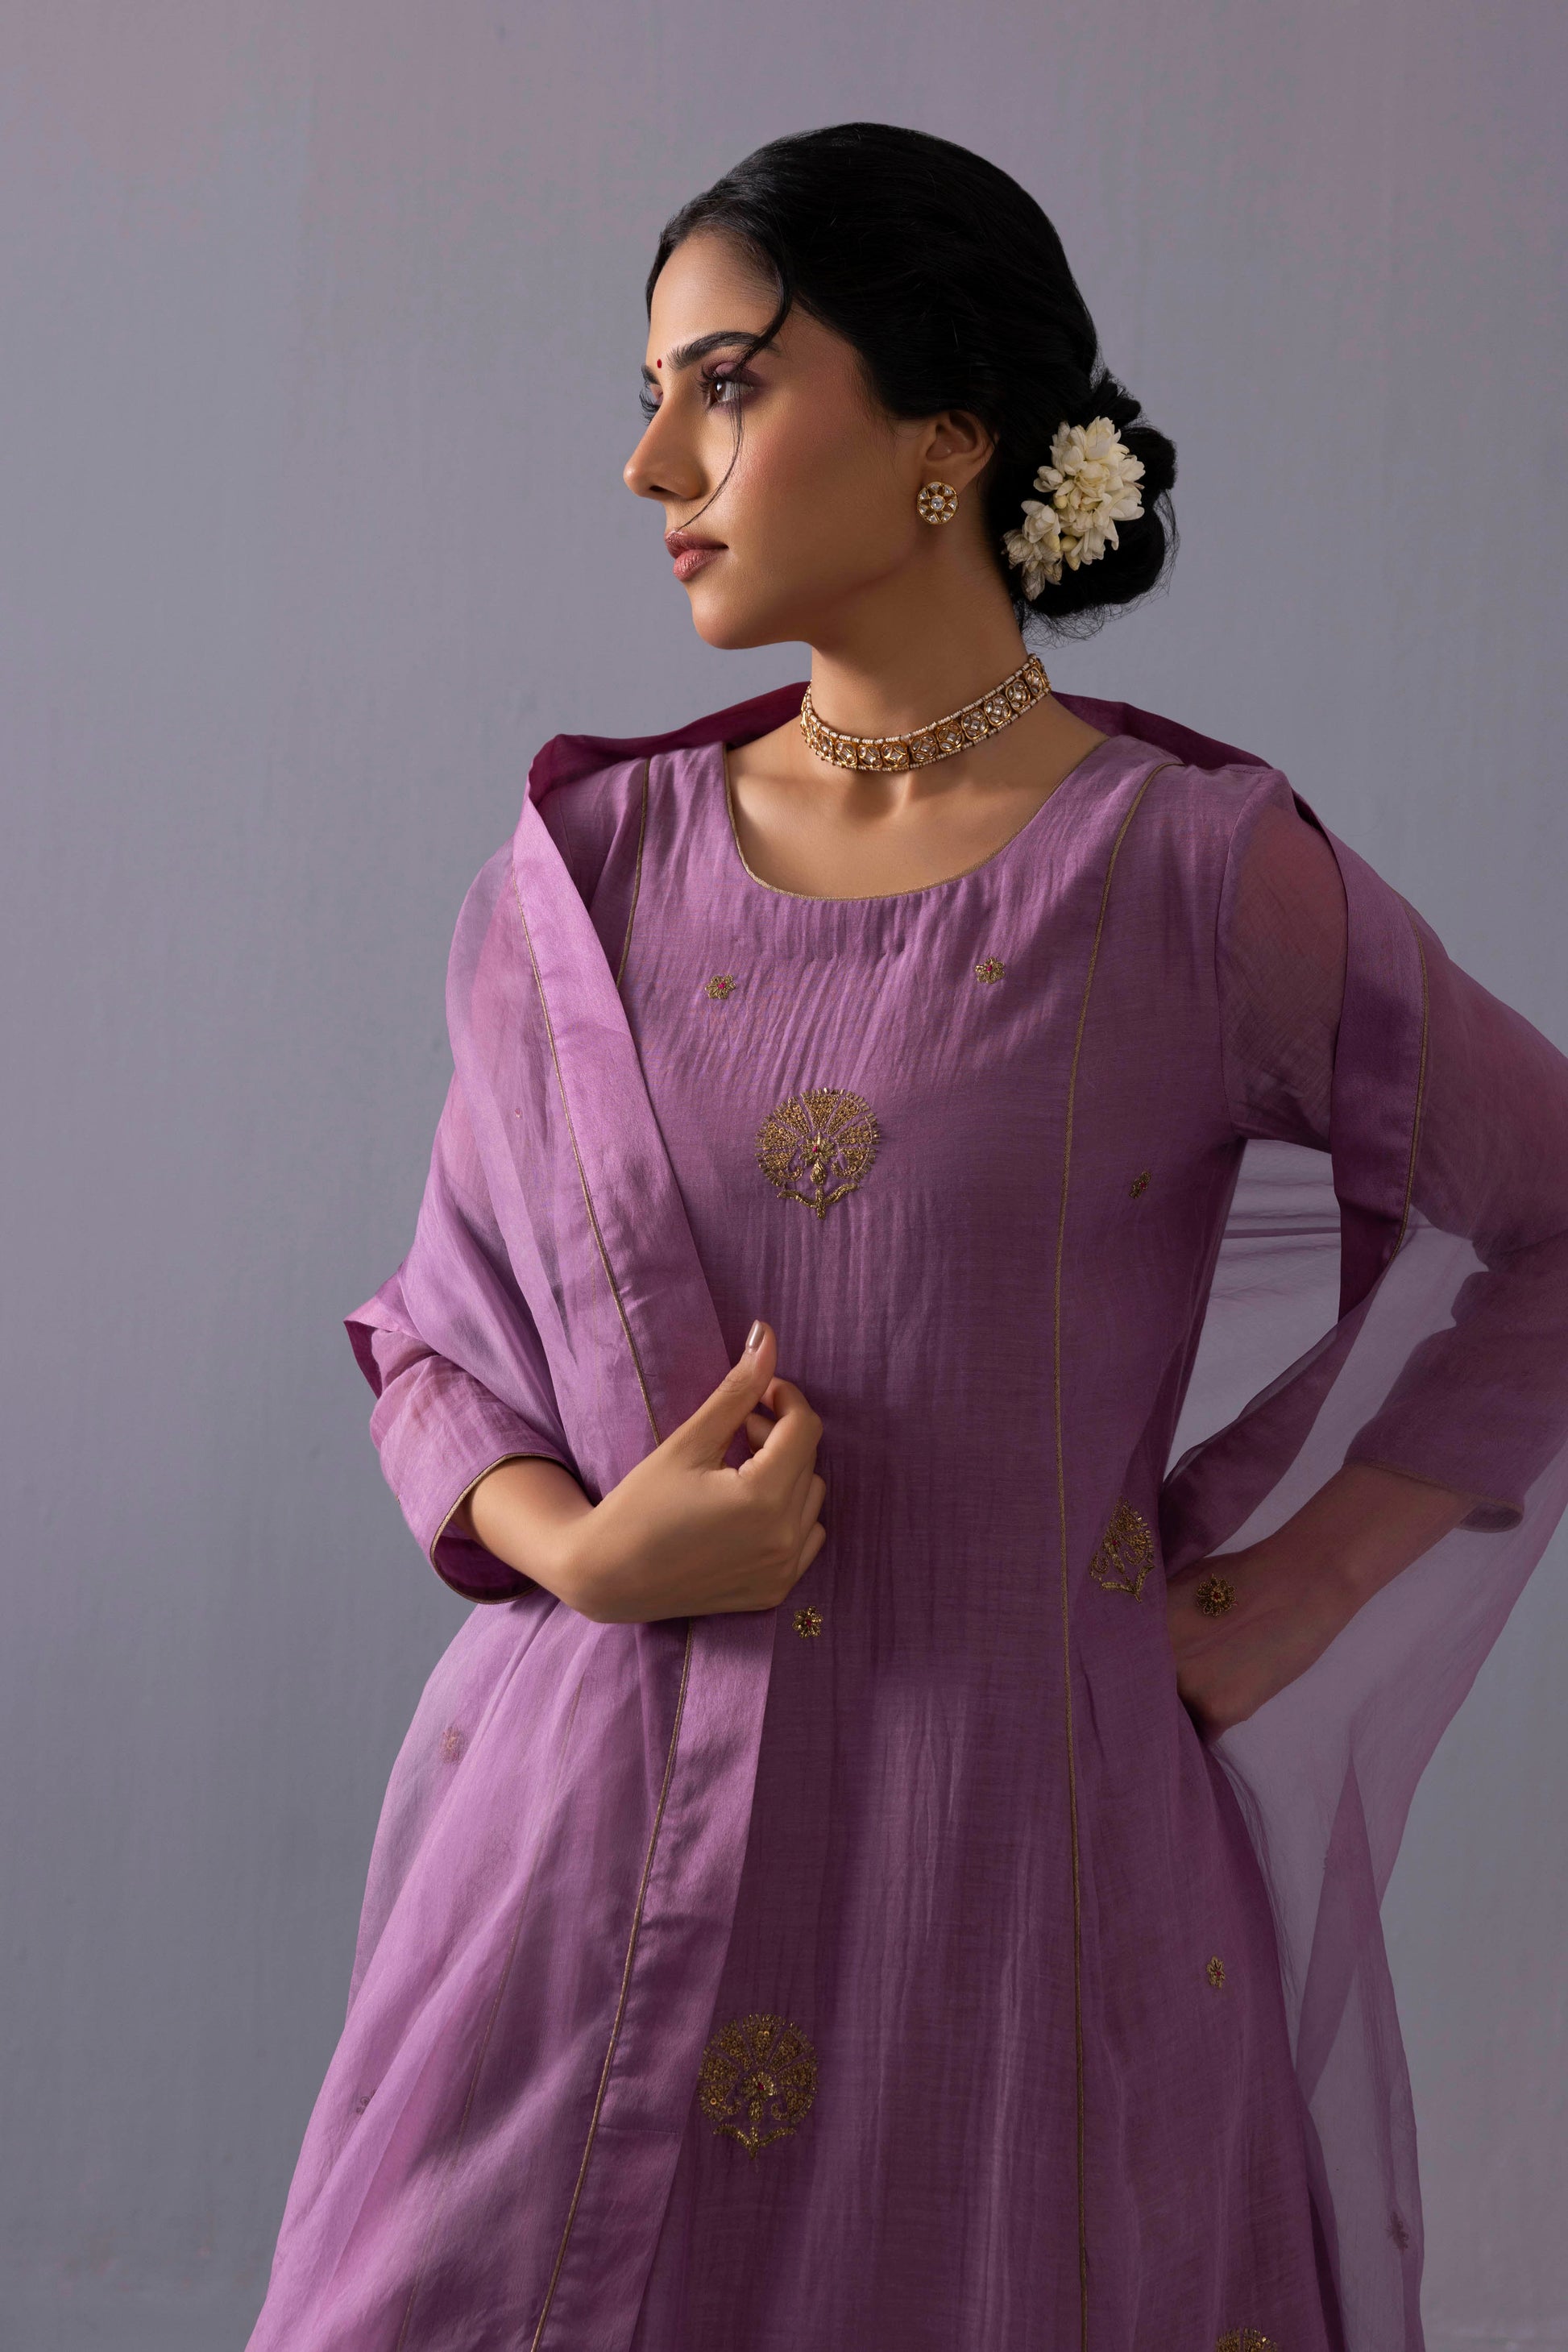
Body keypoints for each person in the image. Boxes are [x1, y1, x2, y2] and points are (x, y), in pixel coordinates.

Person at [247, 123, 1568, 2352]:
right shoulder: (585, 880)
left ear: (947, 433)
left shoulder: (1187, 879)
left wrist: (1301, 1582)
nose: (653, 463)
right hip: (590, 1862)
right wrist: (588, 1552)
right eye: (651, 395)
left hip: (1013, 1889)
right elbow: (440, 1339)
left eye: (729, 385)